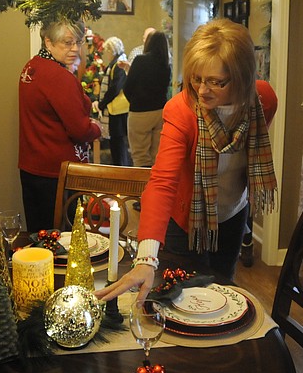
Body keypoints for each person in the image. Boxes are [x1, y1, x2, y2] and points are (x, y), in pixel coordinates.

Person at [95, 19, 278, 304]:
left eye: (216, 82)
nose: (202, 90)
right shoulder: (181, 110)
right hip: (185, 219)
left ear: (241, 77)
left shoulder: (263, 100)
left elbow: (250, 150)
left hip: (232, 213)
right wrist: (145, 258)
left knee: (223, 289)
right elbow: (162, 181)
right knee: (182, 295)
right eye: (196, 78)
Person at [19, 21, 102, 233]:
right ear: (48, 41)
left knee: (39, 235)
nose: (75, 49)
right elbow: (80, 130)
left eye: (78, 42)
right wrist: (97, 128)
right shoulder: (59, 77)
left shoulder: (31, 67)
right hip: (57, 172)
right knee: (62, 239)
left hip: (32, 166)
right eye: (67, 42)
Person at [123, 30, 171, 169]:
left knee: (140, 156)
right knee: (156, 155)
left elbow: (128, 86)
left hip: (140, 112)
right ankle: (156, 187)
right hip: (160, 112)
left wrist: (134, 101)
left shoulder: (140, 60)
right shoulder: (166, 66)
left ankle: (142, 188)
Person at [93, 37, 130, 166]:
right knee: (116, 144)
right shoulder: (118, 62)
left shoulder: (119, 64)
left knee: (118, 144)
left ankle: (120, 171)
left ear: (112, 50)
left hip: (117, 110)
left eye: (107, 50)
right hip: (116, 110)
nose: (106, 54)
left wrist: (102, 104)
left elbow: (115, 88)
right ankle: (120, 168)